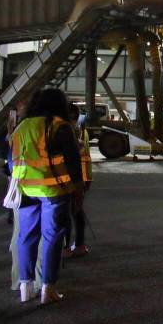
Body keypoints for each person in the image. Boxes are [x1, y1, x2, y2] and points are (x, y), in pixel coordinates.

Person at [11, 88, 83, 304]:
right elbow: (73, 162)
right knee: (52, 237)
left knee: (27, 235)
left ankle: (25, 287)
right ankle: (48, 288)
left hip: (25, 189)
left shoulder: (22, 126)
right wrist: (77, 189)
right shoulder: (60, 126)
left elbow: (10, 156)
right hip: (54, 190)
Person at [62, 104, 91, 259]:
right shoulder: (82, 130)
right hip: (82, 178)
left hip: (71, 180)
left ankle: (66, 247)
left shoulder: (68, 132)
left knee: (67, 214)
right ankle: (79, 245)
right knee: (77, 212)